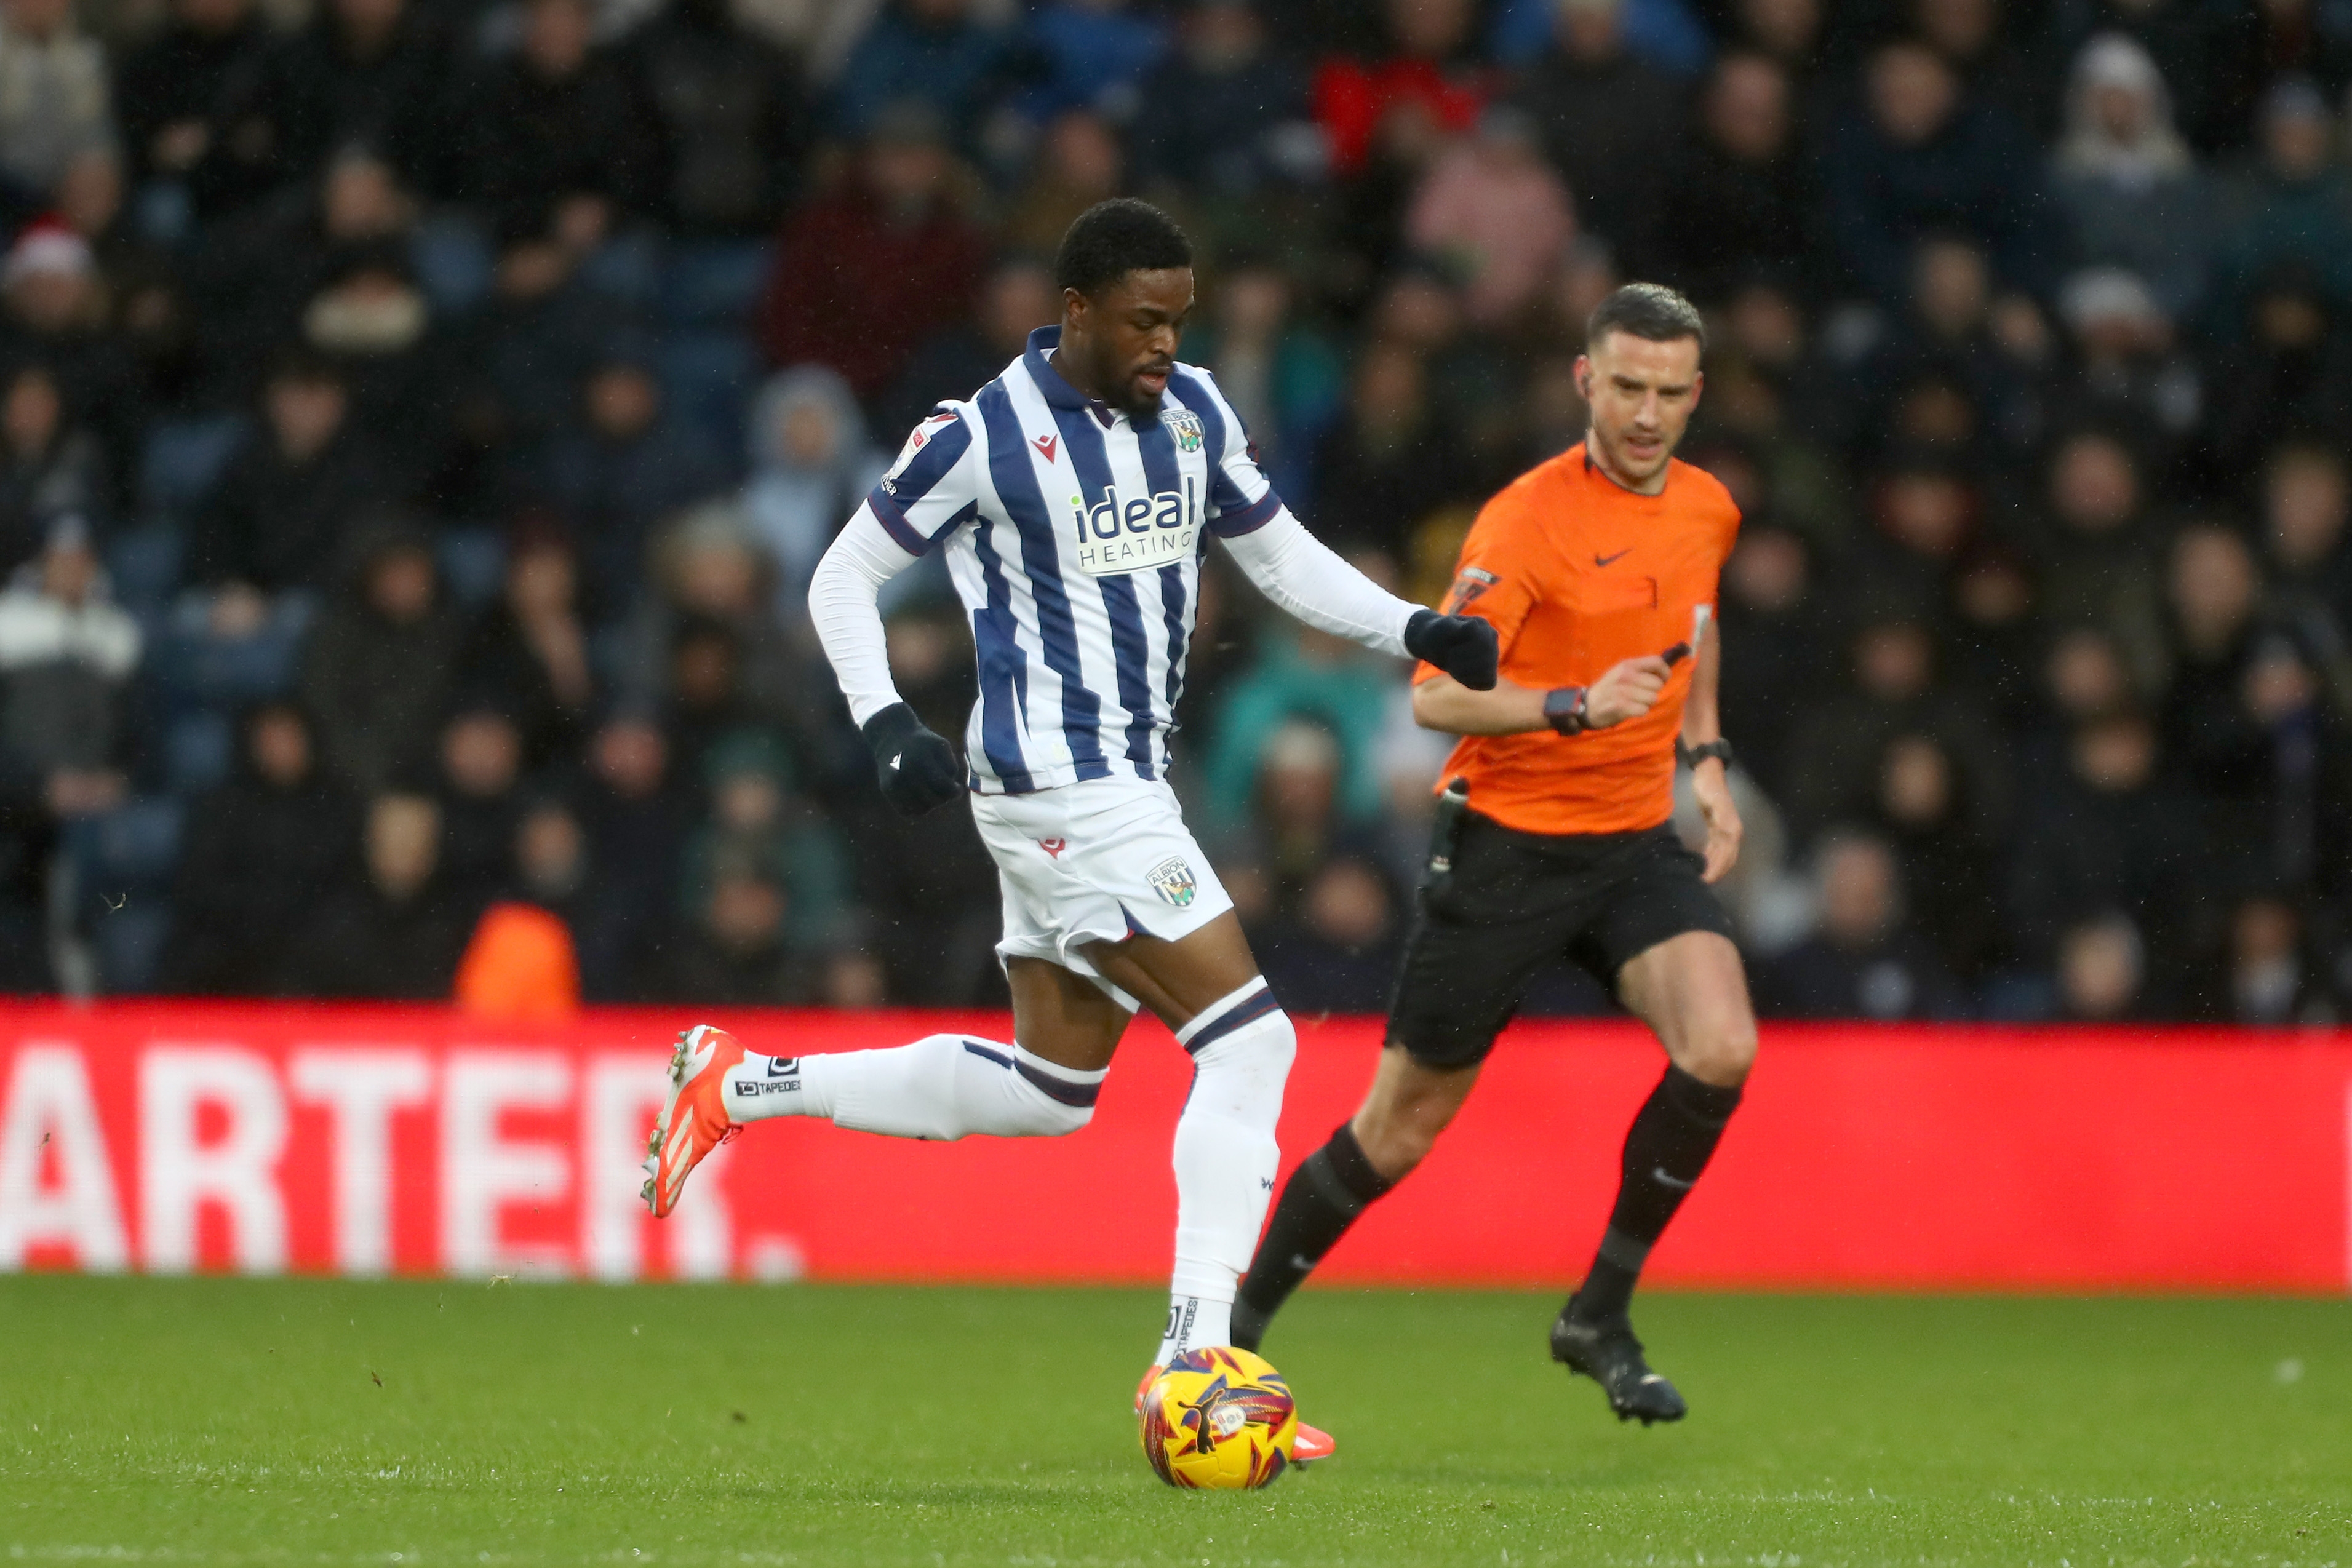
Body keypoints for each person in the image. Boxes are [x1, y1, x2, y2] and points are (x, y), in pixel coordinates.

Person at [641, 199, 1499, 1455]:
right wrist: (884, 721)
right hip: (1060, 784)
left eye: (1180, 319)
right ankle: (1195, 1362)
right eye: (1144, 321)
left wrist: (1413, 628)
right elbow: (842, 576)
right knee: (1251, 1045)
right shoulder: (982, 434)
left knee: (1053, 1089)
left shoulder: (1196, 410)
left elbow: (1282, 558)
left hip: (1111, 783)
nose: (1165, 343)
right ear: (1077, 312)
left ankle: (742, 1083)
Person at [1229, 284, 1755, 1427]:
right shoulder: (1524, 522)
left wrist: (1705, 757)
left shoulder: (1709, 508)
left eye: (1669, 393)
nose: (1647, 414)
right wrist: (1569, 705)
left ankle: (1598, 1315)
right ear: (1584, 381)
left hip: (1629, 841)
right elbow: (1431, 699)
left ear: (1695, 393)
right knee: (1398, 1130)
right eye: (1626, 387)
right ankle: (1226, 1336)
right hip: (1507, 849)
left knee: (1720, 1047)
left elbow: (1694, 629)